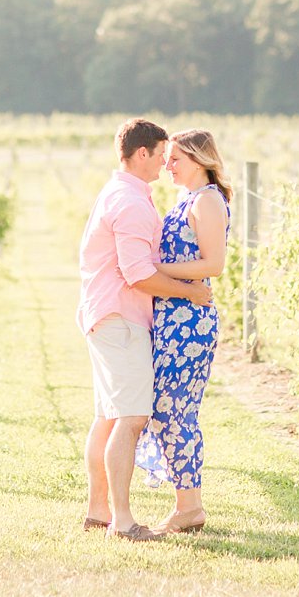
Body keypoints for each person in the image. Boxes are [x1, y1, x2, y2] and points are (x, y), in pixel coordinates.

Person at [77, 118, 212, 542]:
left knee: (108, 417)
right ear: (141, 154)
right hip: (121, 318)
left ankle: (99, 511)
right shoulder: (132, 202)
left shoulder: (121, 192)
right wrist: (189, 292)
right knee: (132, 418)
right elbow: (137, 275)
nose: (165, 163)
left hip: (107, 315)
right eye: (160, 155)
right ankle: (123, 522)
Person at [134, 128, 231, 535]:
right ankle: (186, 502)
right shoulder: (186, 199)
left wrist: (157, 273)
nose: (167, 165)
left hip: (190, 321)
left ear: (198, 161)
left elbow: (213, 265)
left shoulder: (208, 201)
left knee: (177, 411)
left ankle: (190, 506)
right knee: (166, 409)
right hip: (173, 317)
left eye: (175, 159)